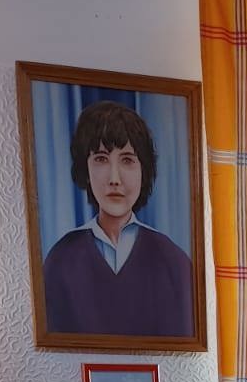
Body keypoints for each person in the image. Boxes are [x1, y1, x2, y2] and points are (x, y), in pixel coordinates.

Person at [43, 100, 194, 339]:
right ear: (85, 169)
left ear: (144, 171)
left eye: (127, 160)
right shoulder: (60, 260)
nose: (114, 178)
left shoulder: (174, 262)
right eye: (101, 159)